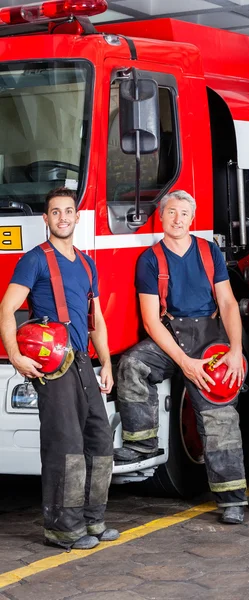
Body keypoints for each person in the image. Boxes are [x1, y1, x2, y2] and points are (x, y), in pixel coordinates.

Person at [115, 190, 248, 524]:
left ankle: (231, 499)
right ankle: (142, 444)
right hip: (170, 334)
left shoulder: (209, 252)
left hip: (208, 338)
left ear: (193, 217)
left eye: (184, 213)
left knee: (220, 418)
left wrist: (235, 350)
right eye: (171, 212)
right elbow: (150, 319)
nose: (177, 219)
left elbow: (229, 303)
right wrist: (184, 363)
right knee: (133, 364)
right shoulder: (149, 259)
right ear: (161, 216)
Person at [0, 187, 118, 549]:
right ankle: (63, 529)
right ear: (46, 218)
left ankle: (93, 521)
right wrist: (16, 357)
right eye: (56, 212)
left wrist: (107, 364)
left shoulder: (86, 263)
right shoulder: (34, 260)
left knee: (99, 442)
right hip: (53, 367)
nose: (63, 217)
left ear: (77, 217)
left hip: (84, 363)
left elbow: (95, 319)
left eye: (69, 211)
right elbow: (6, 310)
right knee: (64, 446)